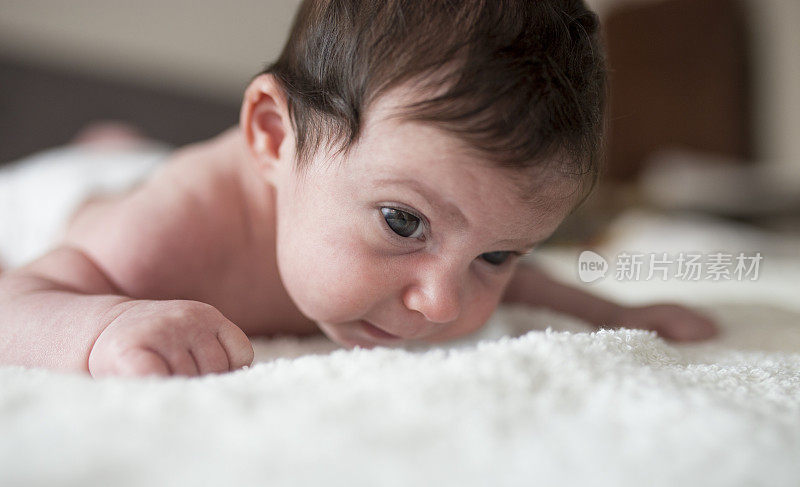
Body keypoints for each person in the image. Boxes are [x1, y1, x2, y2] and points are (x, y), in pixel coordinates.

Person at [0, 0, 717, 377]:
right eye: (404, 222)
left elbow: (531, 286)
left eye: (495, 257)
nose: (442, 302)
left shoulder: (432, 231)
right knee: (96, 176)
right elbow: (14, 302)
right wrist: (100, 328)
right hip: (68, 193)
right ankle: (108, 150)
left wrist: (616, 309)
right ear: (275, 138)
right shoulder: (160, 236)